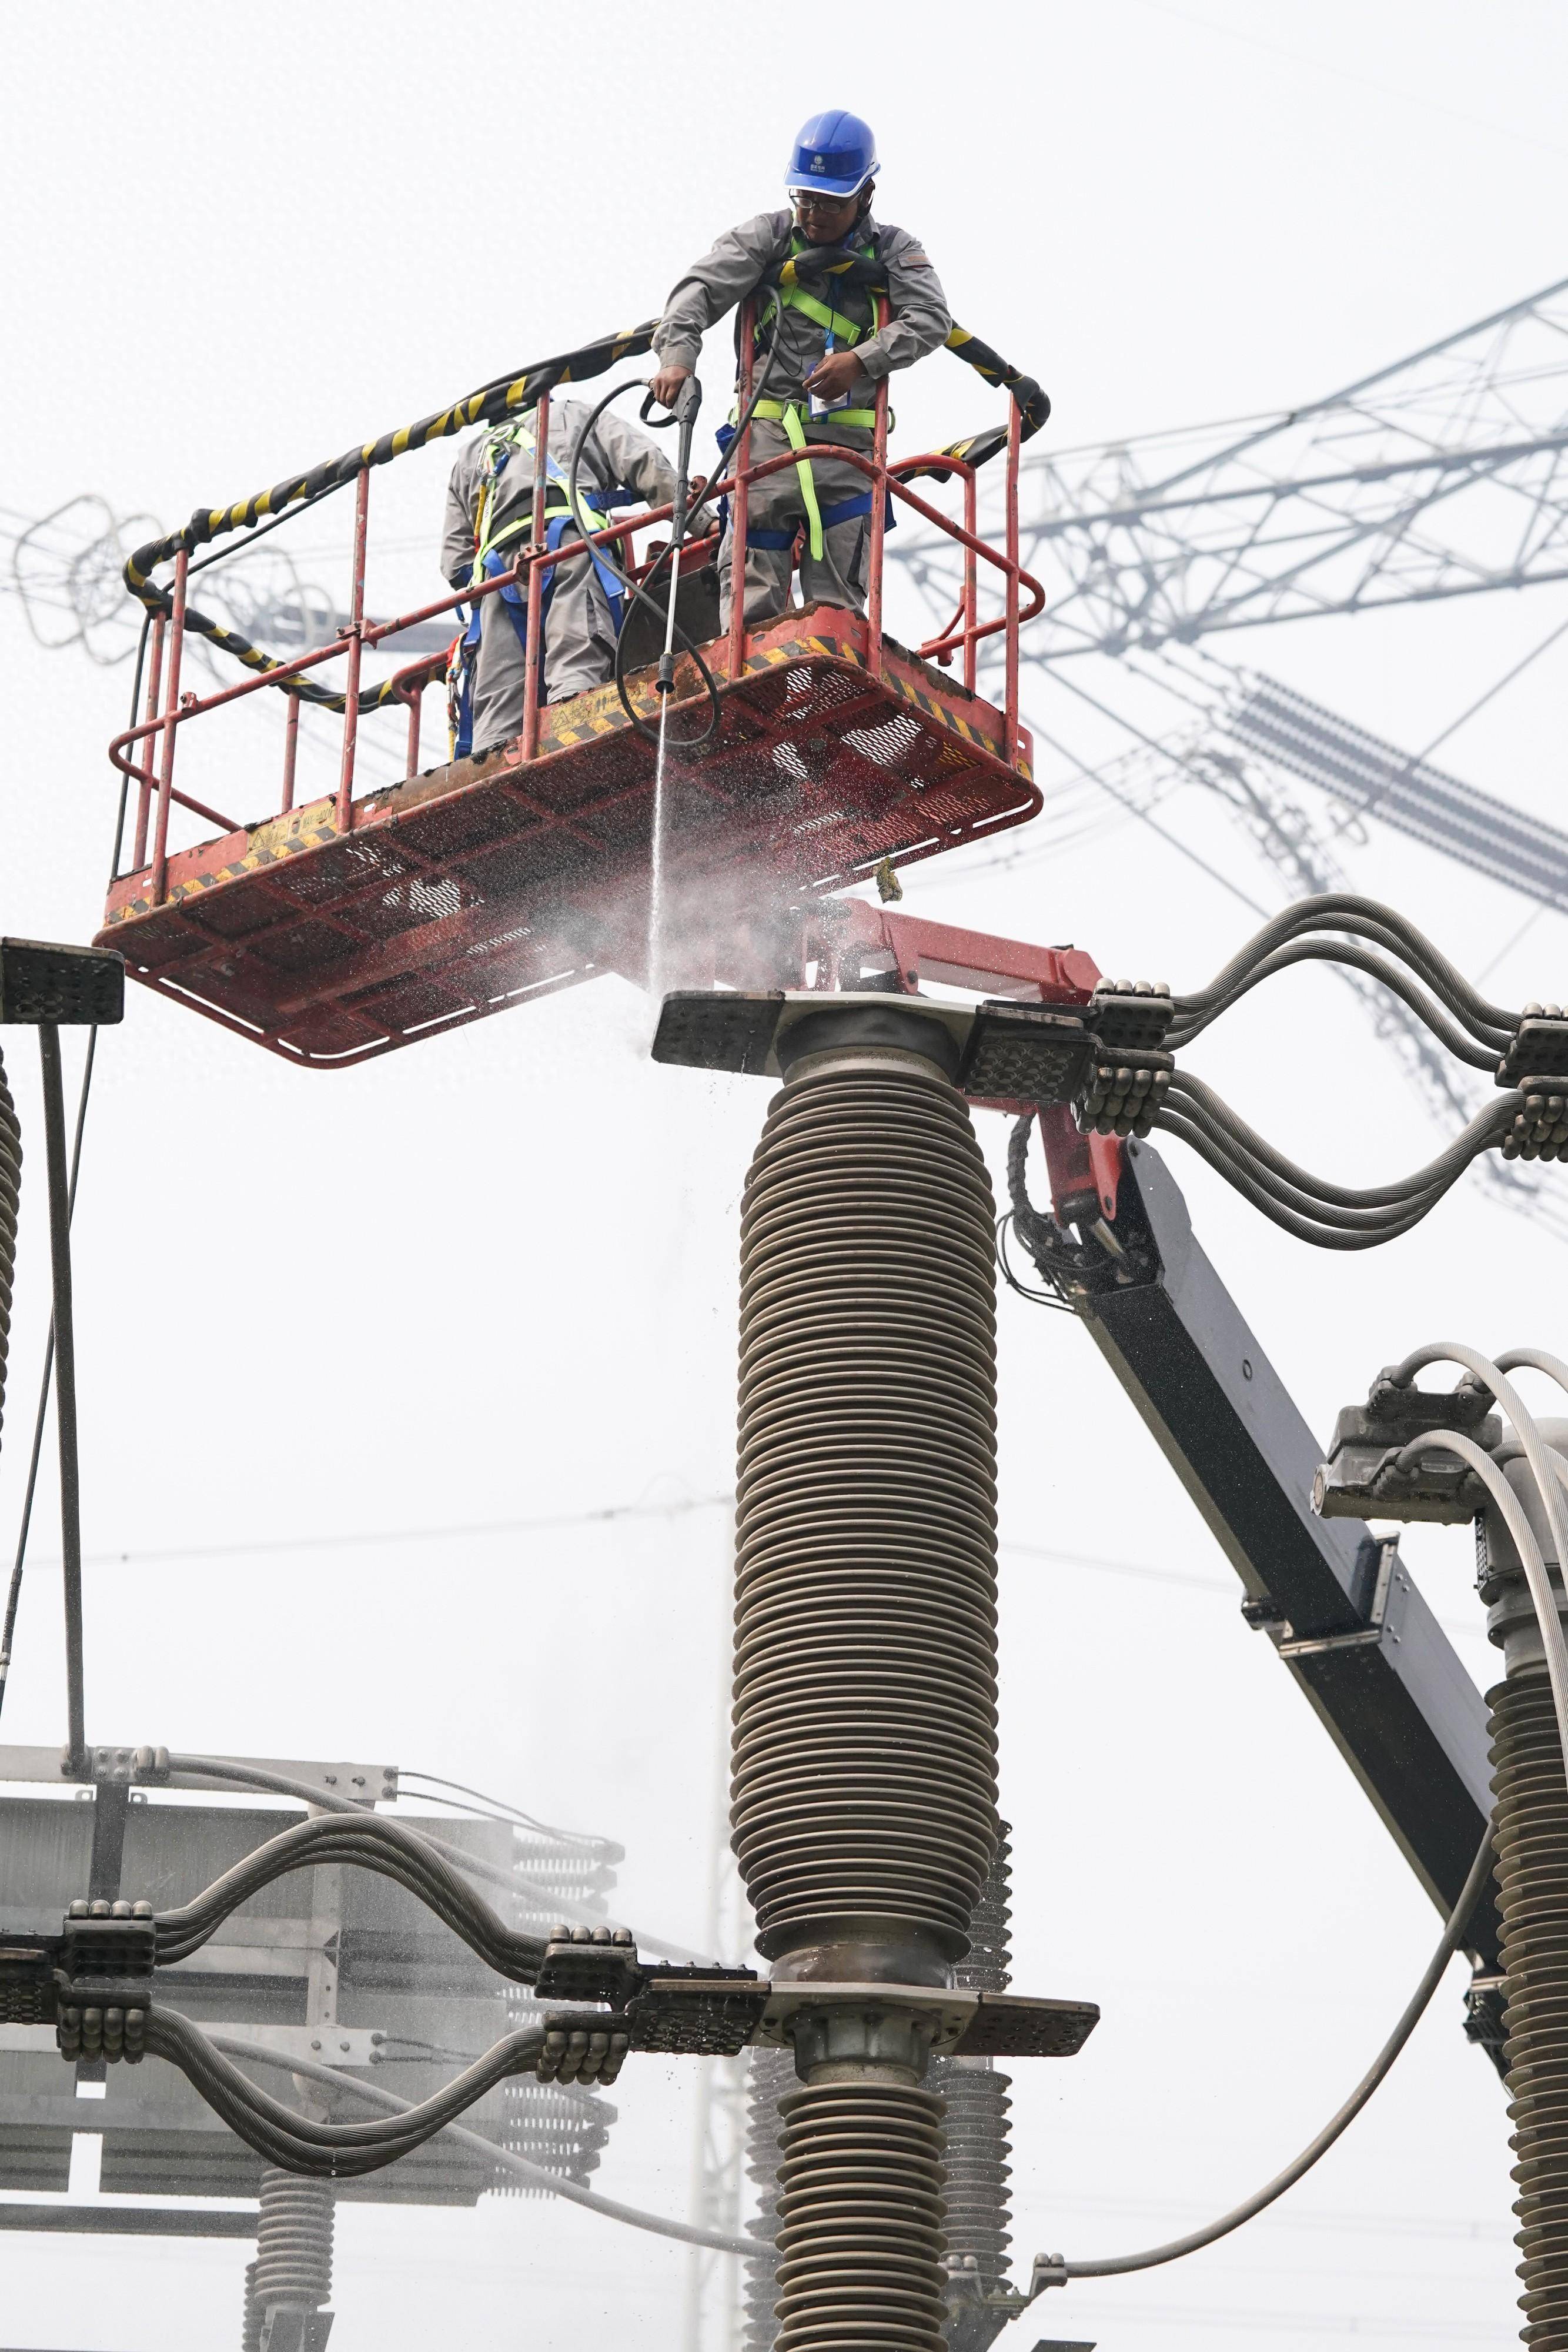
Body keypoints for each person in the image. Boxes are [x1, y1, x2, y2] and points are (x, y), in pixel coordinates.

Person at [649, 110, 951, 627]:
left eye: (829, 203)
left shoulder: (895, 250)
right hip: (765, 433)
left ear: (866, 194)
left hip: (848, 446)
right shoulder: (768, 235)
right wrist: (677, 356)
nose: (814, 215)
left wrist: (860, 360)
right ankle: (751, 686)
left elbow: (930, 318)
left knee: (837, 605)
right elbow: (699, 290)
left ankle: (830, 676)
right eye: (805, 199)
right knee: (751, 586)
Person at [440, 396, 683, 758]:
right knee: (576, 657)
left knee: (498, 698)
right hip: (569, 546)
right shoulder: (574, 413)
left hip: (497, 576)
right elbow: (644, 462)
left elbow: (455, 562)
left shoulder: (472, 454)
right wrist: (701, 520)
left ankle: (493, 780)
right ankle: (578, 745)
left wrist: (486, 586)